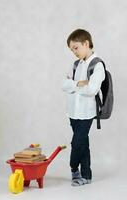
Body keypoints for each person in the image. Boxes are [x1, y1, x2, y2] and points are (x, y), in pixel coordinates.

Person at [62, 29, 105, 186]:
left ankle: (74, 169)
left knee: (77, 143)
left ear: (86, 43)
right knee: (83, 143)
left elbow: (92, 90)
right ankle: (86, 175)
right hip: (73, 111)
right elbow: (64, 84)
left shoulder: (97, 65)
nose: (74, 52)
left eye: (76, 47)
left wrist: (73, 85)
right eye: (71, 49)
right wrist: (78, 83)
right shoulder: (76, 64)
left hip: (86, 113)